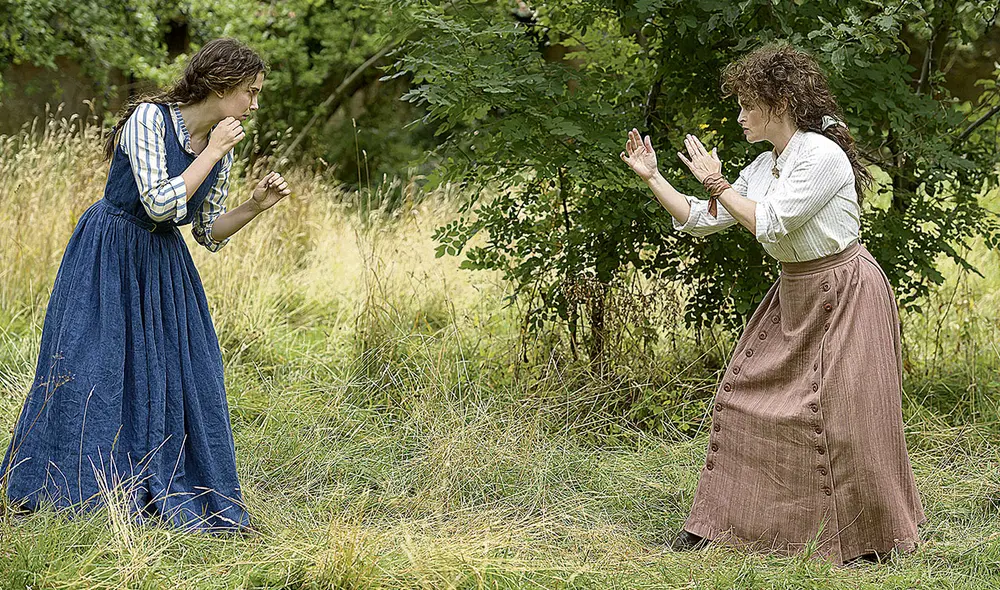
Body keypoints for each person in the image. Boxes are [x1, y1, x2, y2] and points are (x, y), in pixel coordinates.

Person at [620, 44, 924, 564]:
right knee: (742, 398)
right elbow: (705, 218)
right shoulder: (765, 164)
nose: (739, 116)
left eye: (747, 105)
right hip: (796, 291)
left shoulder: (822, 156)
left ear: (779, 102)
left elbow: (771, 222)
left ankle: (870, 539)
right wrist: (654, 178)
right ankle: (725, 527)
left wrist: (716, 181)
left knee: (850, 418)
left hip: (847, 290)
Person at [1, 38, 290, 531]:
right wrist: (215, 150)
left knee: (182, 372)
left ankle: (155, 482)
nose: (255, 105)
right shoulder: (150, 120)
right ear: (220, 85)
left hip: (162, 265)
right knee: (92, 365)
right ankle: (65, 486)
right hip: (108, 252)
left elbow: (205, 230)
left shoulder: (217, 147)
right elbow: (159, 204)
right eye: (250, 92)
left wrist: (252, 207)